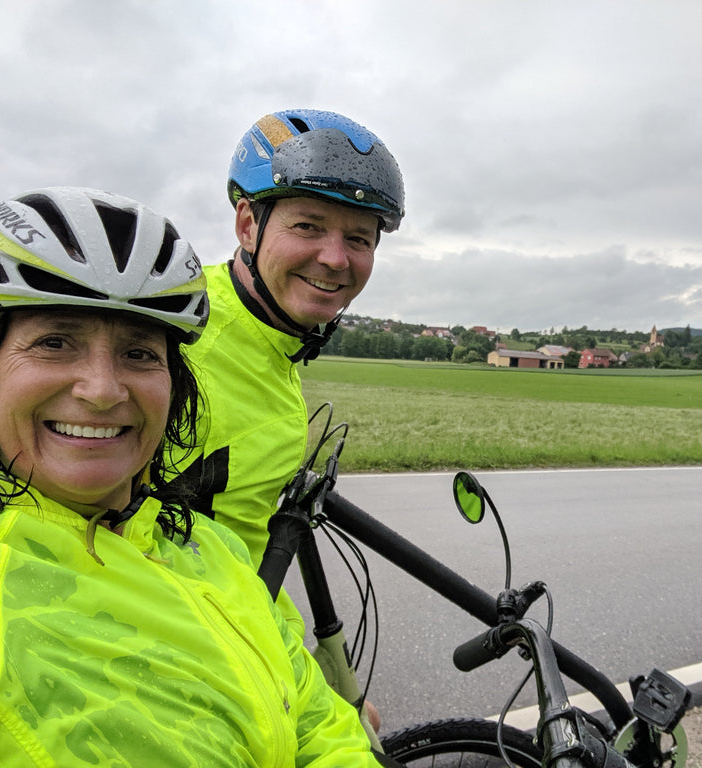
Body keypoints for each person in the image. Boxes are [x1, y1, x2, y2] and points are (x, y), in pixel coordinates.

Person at [0, 186, 382, 767]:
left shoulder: (205, 545)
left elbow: (318, 727)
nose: (102, 390)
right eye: (54, 343)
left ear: (175, 389)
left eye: (139, 354)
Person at [167, 110, 405, 729]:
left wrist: (303, 666)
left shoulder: (269, 339)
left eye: (359, 238)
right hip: (173, 660)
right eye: (308, 226)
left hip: (227, 623)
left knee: (361, 719)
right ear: (248, 224)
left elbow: (233, 548)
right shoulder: (186, 351)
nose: (334, 258)